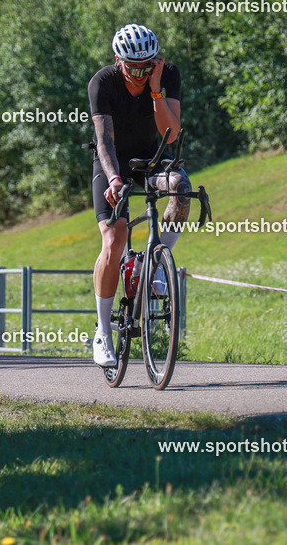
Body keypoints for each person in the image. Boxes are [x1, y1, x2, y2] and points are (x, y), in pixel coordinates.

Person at [88, 23, 192, 367]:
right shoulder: (103, 82)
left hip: (154, 158)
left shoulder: (166, 75)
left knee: (181, 187)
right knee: (115, 238)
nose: (140, 72)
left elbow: (171, 133)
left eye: (148, 65)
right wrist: (114, 178)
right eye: (133, 67)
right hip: (114, 163)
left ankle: (157, 263)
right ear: (119, 61)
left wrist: (156, 89)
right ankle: (103, 332)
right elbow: (104, 140)